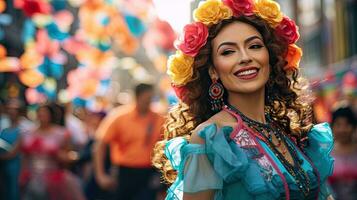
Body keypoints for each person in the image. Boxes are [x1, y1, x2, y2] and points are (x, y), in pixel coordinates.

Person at [152, 0, 334, 199]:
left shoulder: (286, 132)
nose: (245, 57)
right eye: (228, 51)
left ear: (269, 57)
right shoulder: (211, 137)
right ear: (213, 70)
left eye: (254, 46)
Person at [94, 83, 165, 200]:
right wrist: (100, 175)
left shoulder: (159, 118)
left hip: (149, 173)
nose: (149, 102)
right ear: (137, 97)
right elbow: (100, 145)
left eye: (150, 99)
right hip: (124, 172)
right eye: (146, 99)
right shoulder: (119, 117)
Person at [20, 103, 85, 200]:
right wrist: (23, 174)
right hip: (32, 178)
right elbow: (25, 156)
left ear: (51, 116)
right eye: (40, 113)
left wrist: (59, 155)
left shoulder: (61, 133)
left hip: (53, 179)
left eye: (45, 114)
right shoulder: (28, 133)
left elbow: (67, 157)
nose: (42, 116)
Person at [329, 106, 357, 200]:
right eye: (338, 124)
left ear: (354, 127)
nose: (342, 130)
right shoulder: (326, 153)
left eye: (347, 124)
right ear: (332, 127)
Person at [0, 99, 24, 200]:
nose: (11, 112)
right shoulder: (5, 128)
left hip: (15, 165)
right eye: (9, 109)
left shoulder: (23, 128)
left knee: (13, 189)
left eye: (14, 109)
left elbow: (14, 152)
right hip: (3, 165)